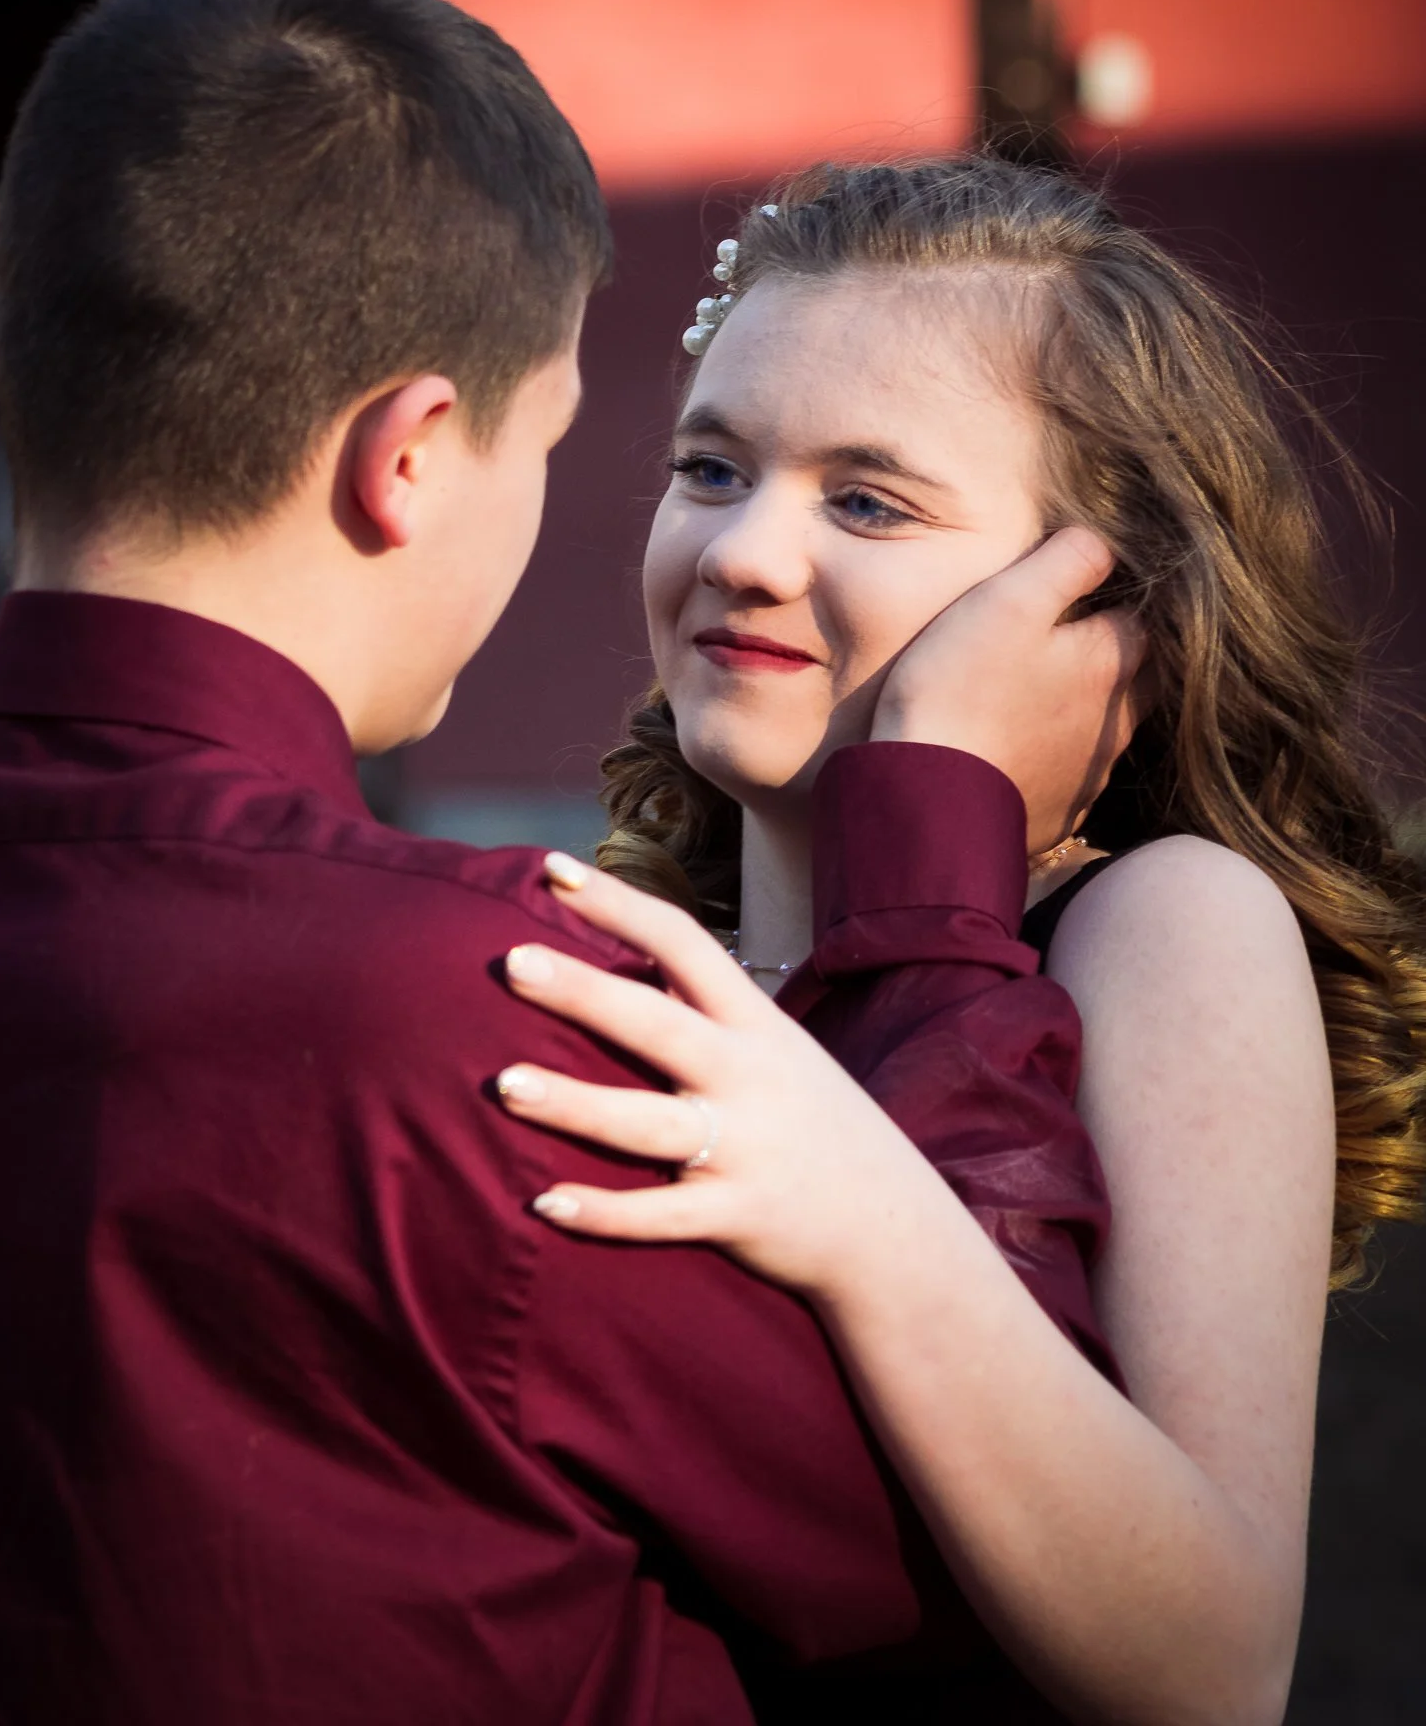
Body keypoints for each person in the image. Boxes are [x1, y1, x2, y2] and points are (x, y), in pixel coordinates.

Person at [0, 0, 1135, 1724]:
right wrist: (939, 836)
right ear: (410, 454)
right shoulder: (510, 1028)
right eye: (567, 442)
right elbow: (997, 1555)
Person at [490, 156, 1426, 1726]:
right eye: (710, 468)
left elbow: (1212, 1672)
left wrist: (932, 786)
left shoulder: (1163, 922)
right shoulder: (615, 955)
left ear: (1092, 600)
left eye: (866, 500)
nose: (741, 553)